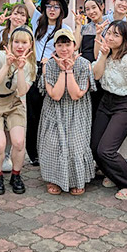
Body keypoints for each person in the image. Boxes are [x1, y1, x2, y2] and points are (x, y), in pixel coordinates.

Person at [20, 0, 71, 166]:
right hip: (34, 73)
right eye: (49, 6)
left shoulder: (65, 29)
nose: (52, 9)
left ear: (61, 11)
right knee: (32, 114)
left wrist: (53, 60)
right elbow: (27, 0)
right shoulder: (37, 21)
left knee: (50, 114)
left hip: (53, 73)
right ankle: (33, 153)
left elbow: (68, 50)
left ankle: (50, 150)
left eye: (56, 6)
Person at [91, 20, 127, 200]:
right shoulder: (106, 54)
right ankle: (114, 176)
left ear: (124, 39)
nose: (110, 37)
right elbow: (96, 75)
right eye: (109, 33)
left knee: (106, 149)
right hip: (106, 100)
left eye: (116, 35)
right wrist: (102, 54)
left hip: (126, 103)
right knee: (95, 146)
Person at [38, 29, 96, 195]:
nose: (64, 49)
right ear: (55, 46)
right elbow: (55, 95)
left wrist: (69, 70)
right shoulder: (49, 64)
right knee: (53, 144)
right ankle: (54, 179)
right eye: (60, 44)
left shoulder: (84, 64)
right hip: (54, 110)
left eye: (67, 44)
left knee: (75, 145)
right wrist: (62, 70)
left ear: (74, 45)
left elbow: (76, 94)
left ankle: (76, 180)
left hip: (76, 110)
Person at [0, 26, 37, 195]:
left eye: (24, 42)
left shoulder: (31, 65)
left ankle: (16, 176)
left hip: (13, 102)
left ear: (30, 45)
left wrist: (20, 69)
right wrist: (7, 65)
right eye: (16, 42)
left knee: (19, 142)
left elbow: (21, 92)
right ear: (10, 43)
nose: (20, 46)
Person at [0, 3, 31, 173]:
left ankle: (6, 156)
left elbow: (22, 88)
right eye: (16, 13)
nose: (18, 17)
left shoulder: (27, 39)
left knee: (11, 126)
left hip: (12, 86)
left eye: (23, 15)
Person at [74, 0, 107, 120]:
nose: (91, 12)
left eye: (94, 7)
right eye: (87, 9)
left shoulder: (108, 27)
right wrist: (78, 25)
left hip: (100, 70)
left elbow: (96, 55)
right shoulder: (85, 28)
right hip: (84, 71)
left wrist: (99, 34)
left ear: (102, 6)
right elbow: (76, 45)